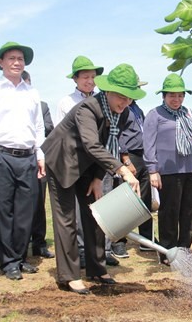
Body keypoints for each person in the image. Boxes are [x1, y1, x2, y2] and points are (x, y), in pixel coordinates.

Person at [42, 63, 143, 294]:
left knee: (96, 215)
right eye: (121, 97)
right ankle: (69, 276)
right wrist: (123, 170)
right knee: (67, 219)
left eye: (129, 98)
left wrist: (98, 178)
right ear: (108, 91)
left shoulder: (123, 113)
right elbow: (92, 144)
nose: (125, 103)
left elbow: (111, 145)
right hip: (62, 162)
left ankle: (97, 269)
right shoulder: (87, 108)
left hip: (88, 167)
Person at [0, 41, 45, 280]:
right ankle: (8, 261)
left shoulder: (32, 93)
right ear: (1, 62)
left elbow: (38, 126)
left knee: (26, 210)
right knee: (1, 210)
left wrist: (40, 155)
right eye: (11, 58)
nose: (17, 62)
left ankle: (20, 257)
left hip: (27, 156)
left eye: (20, 58)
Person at [54, 56, 118, 266]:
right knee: (76, 212)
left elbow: (107, 138)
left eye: (93, 77)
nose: (90, 81)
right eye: (85, 77)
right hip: (74, 162)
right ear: (75, 79)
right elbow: (68, 137)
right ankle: (81, 251)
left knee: (101, 206)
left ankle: (102, 252)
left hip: (98, 162)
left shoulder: (105, 101)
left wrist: (100, 173)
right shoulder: (67, 102)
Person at [143, 73, 192, 266]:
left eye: (180, 95)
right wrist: (153, 169)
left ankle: (185, 250)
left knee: (189, 212)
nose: (176, 99)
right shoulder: (155, 114)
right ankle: (168, 251)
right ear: (163, 95)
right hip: (168, 171)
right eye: (172, 95)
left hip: (191, 169)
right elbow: (148, 144)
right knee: (169, 212)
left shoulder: (188, 113)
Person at [111, 91, 155, 258]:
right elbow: (118, 133)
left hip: (142, 154)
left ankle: (146, 238)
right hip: (128, 156)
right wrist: (125, 159)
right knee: (125, 198)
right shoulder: (122, 109)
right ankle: (119, 241)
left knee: (144, 198)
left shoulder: (137, 109)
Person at [22, 70, 55, 258]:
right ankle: (21, 244)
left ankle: (39, 243)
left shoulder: (42, 106)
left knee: (39, 204)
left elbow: (49, 128)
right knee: (20, 205)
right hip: (17, 160)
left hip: (39, 160)